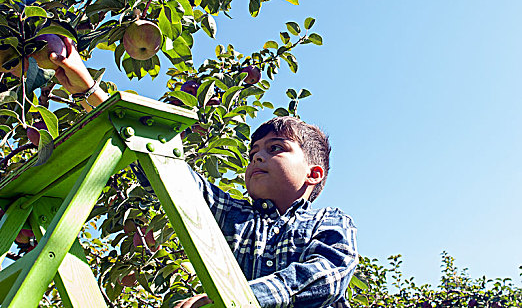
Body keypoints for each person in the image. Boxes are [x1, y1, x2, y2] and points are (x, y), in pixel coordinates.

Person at [47, 38, 359, 308]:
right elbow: (160, 164)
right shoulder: (232, 214)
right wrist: (88, 90)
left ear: (313, 173)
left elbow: (326, 275)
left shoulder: (328, 220)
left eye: (276, 148)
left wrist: (235, 298)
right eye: (253, 154)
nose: (258, 157)